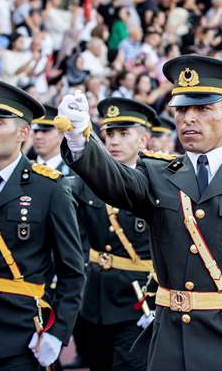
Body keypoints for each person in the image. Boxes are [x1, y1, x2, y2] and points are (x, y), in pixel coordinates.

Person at [58, 55, 222, 371]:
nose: (189, 119)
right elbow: (114, 181)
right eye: (182, 110)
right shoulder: (158, 174)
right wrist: (81, 137)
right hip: (170, 347)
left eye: (203, 109)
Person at [0, 79, 85, 370]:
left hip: (22, 335)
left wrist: (57, 332)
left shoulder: (49, 188)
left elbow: (72, 272)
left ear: (22, 132)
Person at [70, 98, 159, 371]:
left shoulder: (157, 181)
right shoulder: (86, 183)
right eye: (109, 134)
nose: (114, 141)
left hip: (138, 301)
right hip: (95, 300)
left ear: (143, 140)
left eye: (124, 134)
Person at [31, 105, 69, 175]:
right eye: (35, 131)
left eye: (45, 131)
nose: (38, 136)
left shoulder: (74, 172)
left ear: (61, 135)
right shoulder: (25, 169)